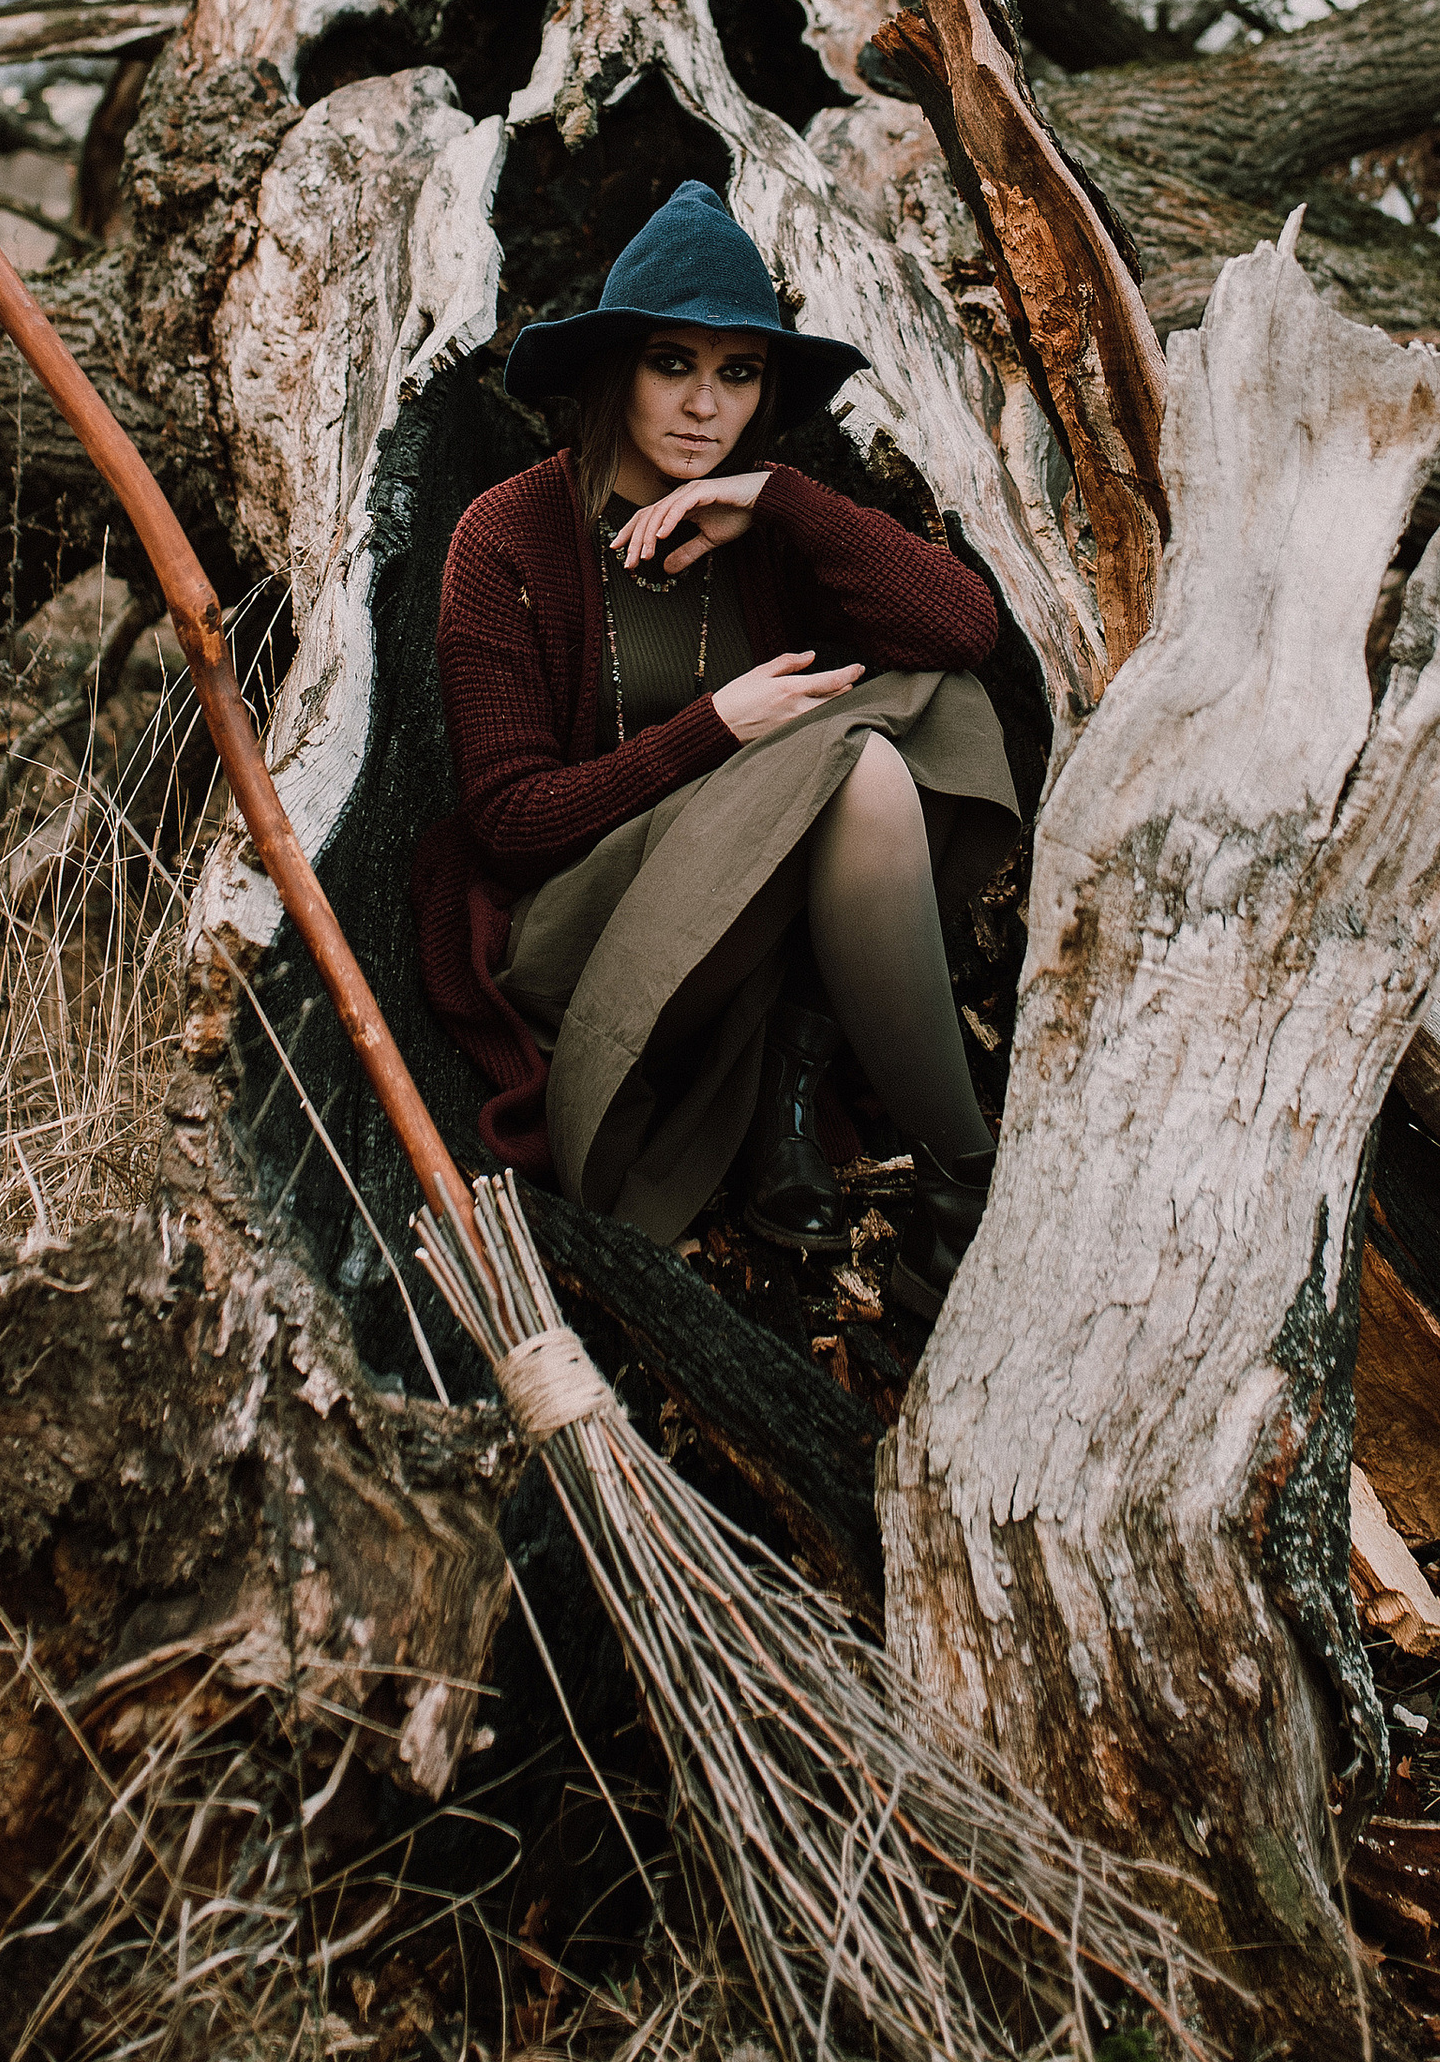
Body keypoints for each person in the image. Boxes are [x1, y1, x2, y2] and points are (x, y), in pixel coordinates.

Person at [413, 181, 1018, 1324]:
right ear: (612, 370)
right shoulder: (506, 536)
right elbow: (509, 821)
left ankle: (842, 1101)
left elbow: (963, 631)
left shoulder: (760, 522)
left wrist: (783, 501)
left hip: (751, 895)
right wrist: (716, 729)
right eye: (672, 363)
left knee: (920, 707)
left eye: (737, 374)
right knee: (858, 758)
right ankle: (967, 1176)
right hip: (576, 928)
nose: (705, 406)